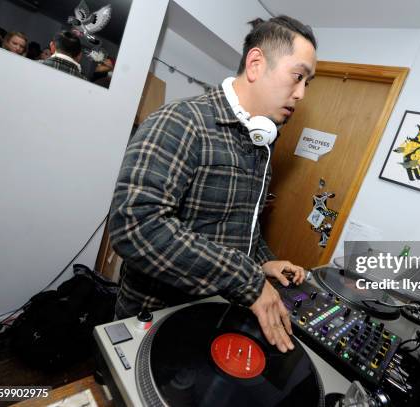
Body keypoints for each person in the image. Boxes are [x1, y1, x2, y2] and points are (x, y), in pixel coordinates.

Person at [109, 15, 317, 353]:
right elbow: (134, 226)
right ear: (255, 64)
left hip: (214, 314)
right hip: (158, 320)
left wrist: (264, 260)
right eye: (298, 76)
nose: (301, 93)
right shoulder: (180, 121)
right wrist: (246, 279)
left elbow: (238, 222)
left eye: (308, 83)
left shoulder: (263, 141)